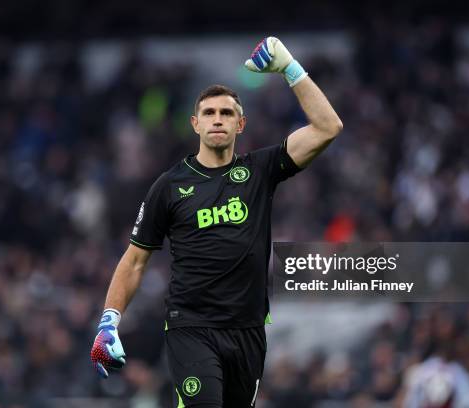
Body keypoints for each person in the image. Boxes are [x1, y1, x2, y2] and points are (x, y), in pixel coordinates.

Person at [90, 36, 343, 407]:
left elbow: (328, 128)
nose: (218, 120)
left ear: (241, 124)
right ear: (195, 123)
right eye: (209, 113)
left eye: (227, 113)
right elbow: (135, 259)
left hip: (248, 330)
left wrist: (289, 66)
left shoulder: (259, 171)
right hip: (191, 328)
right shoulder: (170, 186)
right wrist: (109, 321)